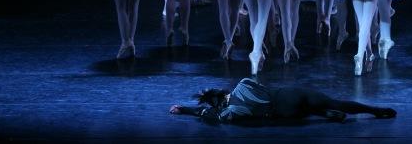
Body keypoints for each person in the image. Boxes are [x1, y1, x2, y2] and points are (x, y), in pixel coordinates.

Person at [169, 77, 396, 122]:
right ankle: (375, 110)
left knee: (298, 114)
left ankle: (320, 113)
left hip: (284, 113)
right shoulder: (243, 84)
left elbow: (207, 114)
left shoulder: (231, 112)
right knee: (336, 102)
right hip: (290, 94)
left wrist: (184, 109)